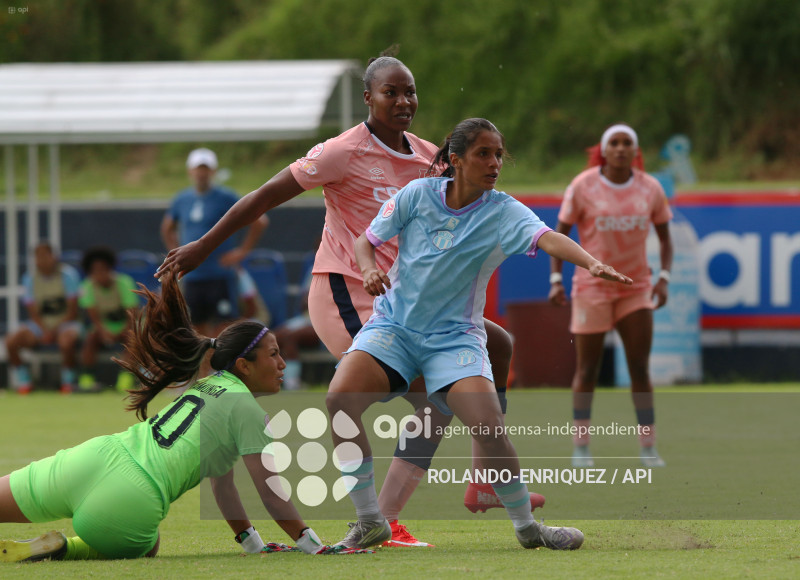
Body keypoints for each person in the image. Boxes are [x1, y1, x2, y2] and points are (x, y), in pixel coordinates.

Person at [156, 52, 541, 547]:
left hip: (406, 299)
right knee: (427, 393)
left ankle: (473, 485)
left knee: (497, 345)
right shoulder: (341, 151)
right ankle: (380, 518)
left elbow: (465, 198)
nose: (404, 101)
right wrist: (204, 247)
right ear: (368, 98)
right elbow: (265, 196)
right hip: (345, 290)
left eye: (410, 92)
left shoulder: (428, 156)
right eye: (391, 92)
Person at [325, 118, 631, 551]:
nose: (495, 163)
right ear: (455, 160)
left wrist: (590, 263)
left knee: (489, 427)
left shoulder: (503, 210)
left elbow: (548, 238)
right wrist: (370, 267)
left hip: (454, 339)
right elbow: (365, 241)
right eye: (484, 154)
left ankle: (528, 528)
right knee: (340, 402)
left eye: (499, 155)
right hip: (393, 327)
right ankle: (370, 520)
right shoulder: (418, 194)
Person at [0, 272, 364, 563]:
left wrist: (252, 543)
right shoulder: (248, 411)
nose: (283, 364)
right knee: (148, 544)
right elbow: (269, 489)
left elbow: (223, 484)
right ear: (243, 366)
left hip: (93, 458)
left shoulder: (206, 384)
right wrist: (312, 544)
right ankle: (67, 548)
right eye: (273, 355)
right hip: (131, 500)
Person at [548, 123, 673, 469]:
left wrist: (663, 278)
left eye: (627, 143)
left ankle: (648, 448)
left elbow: (665, 238)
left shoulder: (650, 189)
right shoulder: (583, 185)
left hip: (635, 288)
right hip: (592, 288)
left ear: (636, 151)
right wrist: (556, 278)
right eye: (614, 143)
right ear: (604, 150)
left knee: (639, 368)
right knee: (588, 369)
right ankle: (581, 447)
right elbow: (559, 236)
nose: (620, 148)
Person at [160, 147, 269, 338]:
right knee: (196, 329)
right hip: (193, 275)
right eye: (198, 169)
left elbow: (260, 220)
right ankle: (205, 368)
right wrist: (176, 254)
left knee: (224, 327)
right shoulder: (182, 199)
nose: (202, 174)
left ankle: (222, 368)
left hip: (219, 273)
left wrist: (242, 251)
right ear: (190, 171)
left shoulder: (226, 197)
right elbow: (167, 228)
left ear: (213, 171)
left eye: (206, 169)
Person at [5, 241, 81, 394]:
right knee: (11, 341)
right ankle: (24, 382)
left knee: (66, 341)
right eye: (37, 257)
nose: (41, 260)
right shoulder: (29, 278)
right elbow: (33, 311)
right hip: (40, 326)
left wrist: (54, 331)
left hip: (66, 324)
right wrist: (45, 330)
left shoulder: (68, 276)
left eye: (45, 256)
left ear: (54, 257)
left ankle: (67, 382)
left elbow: (73, 311)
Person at [77, 246, 139, 393]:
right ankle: (87, 378)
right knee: (90, 339)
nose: (100, 274)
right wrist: (104, 332)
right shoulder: (87, 286)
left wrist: (123, 330)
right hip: (102, 328)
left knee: (133, 339)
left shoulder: (124, 282)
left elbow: (132, 313)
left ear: (111, 268)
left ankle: (126, 378)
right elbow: (93, 316)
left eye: (103, 269)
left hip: (126, 326)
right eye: (95, 270)